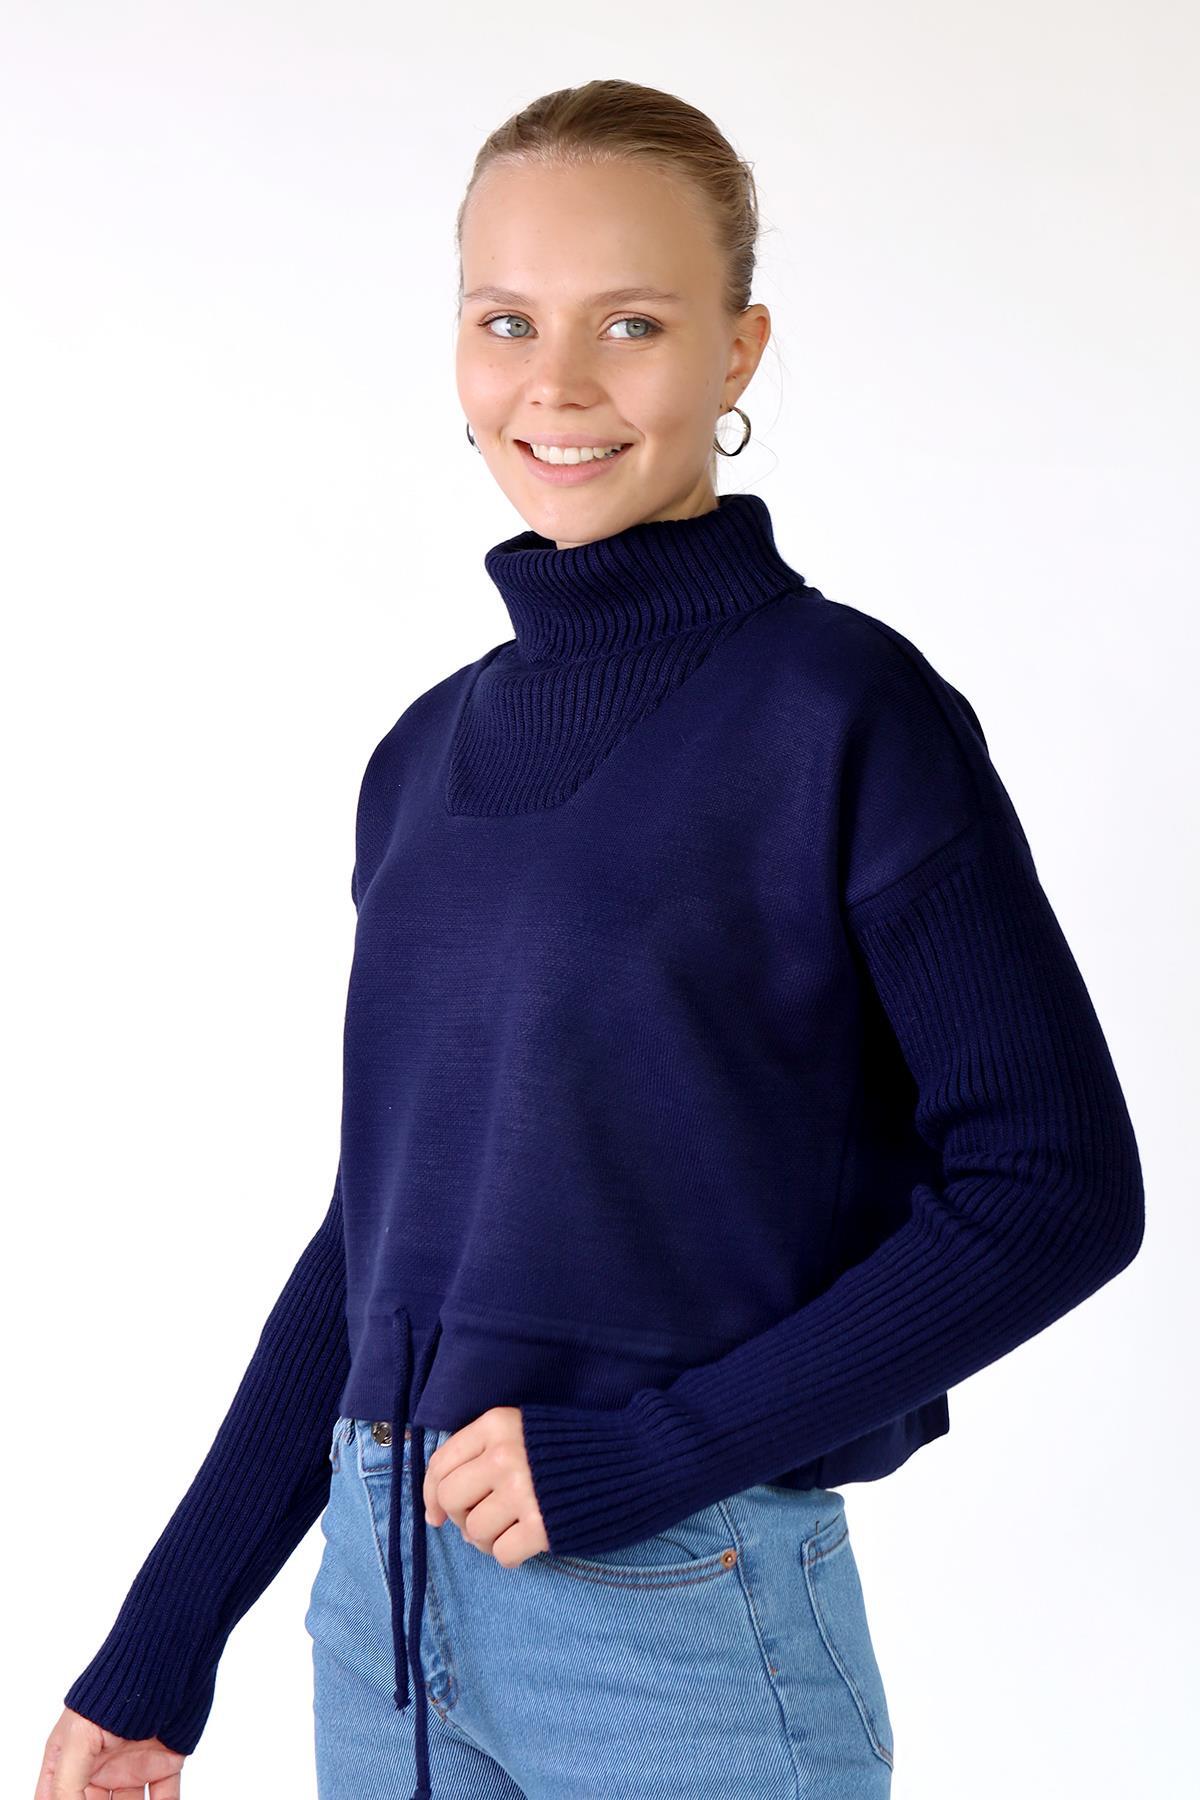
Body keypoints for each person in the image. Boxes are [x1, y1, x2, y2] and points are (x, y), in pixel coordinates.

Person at [39, 78, 1145, 1800]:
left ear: (739, 351)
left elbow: (1056, 1188)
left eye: (632, 323)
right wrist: (163, 1646)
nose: (555, 383)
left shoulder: (845, 716)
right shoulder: (422, 758)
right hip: (380, 1614)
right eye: (507, 322)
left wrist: (653, 1452)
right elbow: (381, 1248)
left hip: (672, 1623)